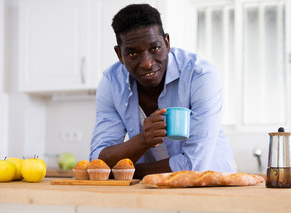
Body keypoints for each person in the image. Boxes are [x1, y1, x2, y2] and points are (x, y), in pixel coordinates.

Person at [89, 3, 236, 179]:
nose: (147, 63)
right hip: (149, 188)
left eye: (154, 48)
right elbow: (98, 161)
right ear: (119, 54)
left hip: (210, 185)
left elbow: (193, 165)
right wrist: (142, 140)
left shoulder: (200, 76)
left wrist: (126, 172)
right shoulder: (111, 82)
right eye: (132, 54)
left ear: (167, 43)